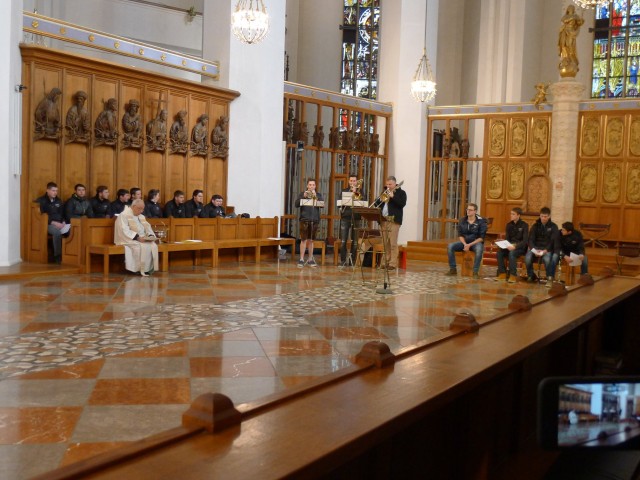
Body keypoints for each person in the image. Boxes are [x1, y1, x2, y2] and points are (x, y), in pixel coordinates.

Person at [114, 199, 158, 276]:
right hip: (129, 239)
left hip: (142, 238)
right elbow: (124, 230)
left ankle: (148, 269)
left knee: (153, 245)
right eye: (139, 209)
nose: (141, 211)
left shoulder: (141, 216)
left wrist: (150, 236)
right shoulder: (123, 215)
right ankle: (137, 269)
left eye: (143, 209)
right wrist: (137, 238)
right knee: (139, 246)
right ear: (133, 206)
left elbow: (148, 228)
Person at [373, 176, 406, 270]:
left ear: (395, 184)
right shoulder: (384, 192)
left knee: (393, 243)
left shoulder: (401, 193)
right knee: (385, 243)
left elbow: (402, 204)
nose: (388, 186)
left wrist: (393, 197)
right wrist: (380, 200)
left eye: (390, 184)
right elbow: (376, 204)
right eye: (387, 184)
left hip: (394, 220)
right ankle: (385, 262)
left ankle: (392, 264)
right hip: (383, 220)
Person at [446, 203, 487, 279]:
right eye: (467, 209)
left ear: (475, 211)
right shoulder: (462, 220)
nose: (468, 211)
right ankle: (453, 269)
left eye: (470, 210)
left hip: (475, 242)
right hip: (464, 242)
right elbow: (460, 235)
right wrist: (465, 244)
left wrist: (469, 245)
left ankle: (475, 271)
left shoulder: (481, 222)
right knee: (450, 246)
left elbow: (481, 238)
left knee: (479, 249)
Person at [525, 207, 560, 287]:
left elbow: (552, 241)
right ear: (540, 216)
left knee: (547, 259)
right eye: (542, 216)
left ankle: (549, 278)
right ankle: (531, 275)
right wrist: (534, 250)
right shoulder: (535, 226)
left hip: (547, 249)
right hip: (535, 248)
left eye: (545, 216)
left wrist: (545, 250)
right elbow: (530, 240)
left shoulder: (554, 226)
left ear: (549, 216)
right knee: (527, 258)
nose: (543, 218)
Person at [35, 182, 67, 264]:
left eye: (56, 191)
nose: (55, 193)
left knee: (74, 230)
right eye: (53, 190)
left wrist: (63, 221)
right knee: (57, 232)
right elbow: (40, 216)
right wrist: (54, 223)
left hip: (61, 223)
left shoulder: (59, 200)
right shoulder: (40, 201)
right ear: (47, 190)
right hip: (48, 224)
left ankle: (69, 256)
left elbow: (62, 213)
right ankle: (58, 256)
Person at [495, 207, 529, 283]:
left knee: (512, 253)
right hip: (510, 246)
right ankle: (502, 273)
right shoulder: (509, 225)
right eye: (511, 214)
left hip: (520, 247)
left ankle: (513, 274)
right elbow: (507, 239)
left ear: (518, 215)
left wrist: (515, 246)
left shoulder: (524, 225)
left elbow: (525, 241)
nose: (511, 215)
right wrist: (505, 244)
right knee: (499, 253)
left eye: (513, 214)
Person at [295, 179, 323, 268]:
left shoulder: (318, 195)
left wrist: (315, 196)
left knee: (311, 240)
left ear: (315, 186)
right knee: (303, 240)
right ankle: (301, 259)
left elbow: (322, 204)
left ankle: (310, 259)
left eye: (313, 185)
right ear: (307, 186)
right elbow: (296, 204)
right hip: (304, 219)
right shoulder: (302, 194)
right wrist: (303, 196)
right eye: (310, 185)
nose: (311, 186)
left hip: (314, 220)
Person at [339, 175, 361, 266]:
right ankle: (343, 261)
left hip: (356, 217)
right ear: (348, 181)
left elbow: (363, 202)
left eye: (354, 181)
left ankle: (353, 261)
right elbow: (339, 203)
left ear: (357, 182)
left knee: (355, 242)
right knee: (343, 241)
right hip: (345, 217)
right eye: (351, 181)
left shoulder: (360, 191)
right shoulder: (344, 191)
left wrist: (355, 193)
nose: (352, 182)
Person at [558, 5, 584, 75]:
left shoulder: (576, 16)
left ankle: (572, 60)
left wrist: (581, 21)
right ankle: (565, 59)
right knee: (564, 45)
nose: (571, 9)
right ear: (568, 9)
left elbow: (579, 23)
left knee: (570, 45)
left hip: (572, 32)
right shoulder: (566, 16)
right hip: (565, 31)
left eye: (572, 8)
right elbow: (564, 20)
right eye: (569, 8)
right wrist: (572, 17)